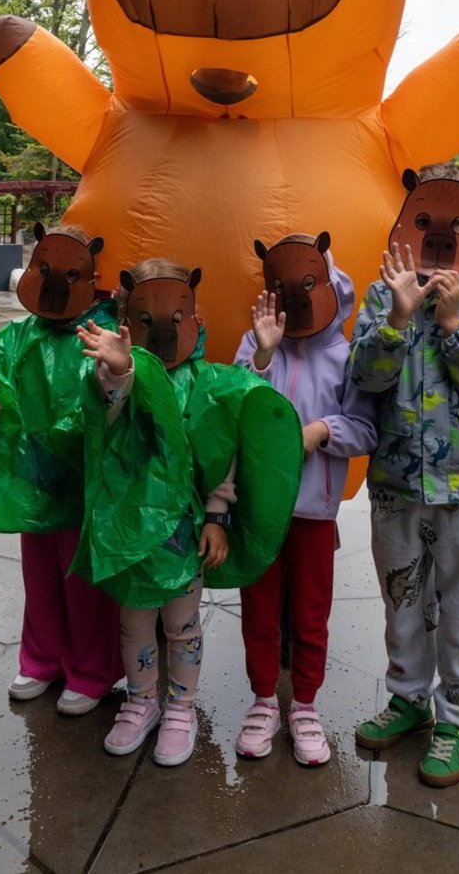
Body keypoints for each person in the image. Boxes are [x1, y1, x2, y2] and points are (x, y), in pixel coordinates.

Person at [77, 259, 302, 767]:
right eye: (148, 319)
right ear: (126, 325)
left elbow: (228, 442)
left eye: (177, 317)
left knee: (182, 624)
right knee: (134, 623)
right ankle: (140, 702)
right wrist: (120, 367)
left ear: (196, 323)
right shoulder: (114, 371)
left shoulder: (207, 383)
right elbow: (106, 412)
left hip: (183, 532)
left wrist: (217, 516)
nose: (164, 331)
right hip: (130, 531)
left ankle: (181, 707)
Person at [349, 163, 459, 788]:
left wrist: (455, 327)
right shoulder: (382, 294)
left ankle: (457, 720)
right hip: (397, 484)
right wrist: (398, 321)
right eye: (427, 221)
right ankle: (408, 699)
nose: (443, 237)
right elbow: (363, 381)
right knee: (402, 599)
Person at [0, 224, 123, 716]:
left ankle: (91, 667)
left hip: (87, 483)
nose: (56, 283)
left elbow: (125, 395)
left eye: (69, 272)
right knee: (40, 573)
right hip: (33, 479)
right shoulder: (18, 337)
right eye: (47, 269)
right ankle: (42, 658)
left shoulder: (103, 334)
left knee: (84, 578)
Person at [232, 233, 377, 766]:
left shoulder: (344, 354)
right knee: (260, 610)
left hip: (315, 513)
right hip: (260, 513)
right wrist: (263, 357)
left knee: (310, 614)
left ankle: (306, 706)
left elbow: (366, 428)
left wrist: (322, 430)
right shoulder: (254, 344)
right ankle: (264, 700)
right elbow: (233, 408)